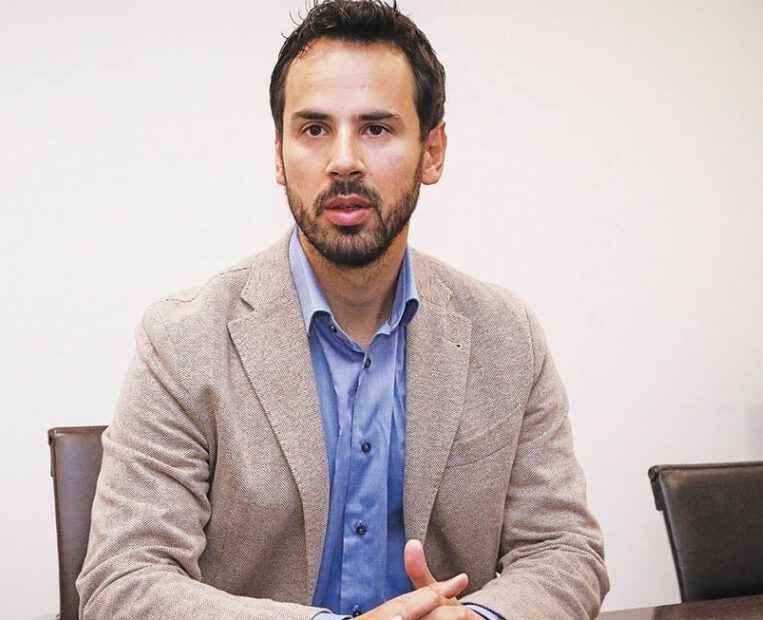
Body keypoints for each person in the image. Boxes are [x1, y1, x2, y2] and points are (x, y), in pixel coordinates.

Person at [76, 1, 609, 618]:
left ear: (432, 151)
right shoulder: (183, 340)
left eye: (376, 128)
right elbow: (123, 580)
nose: (344, 160)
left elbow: (565, 551)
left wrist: (478, 619)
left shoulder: (507, 336)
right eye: (313, 129)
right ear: (279, 155)